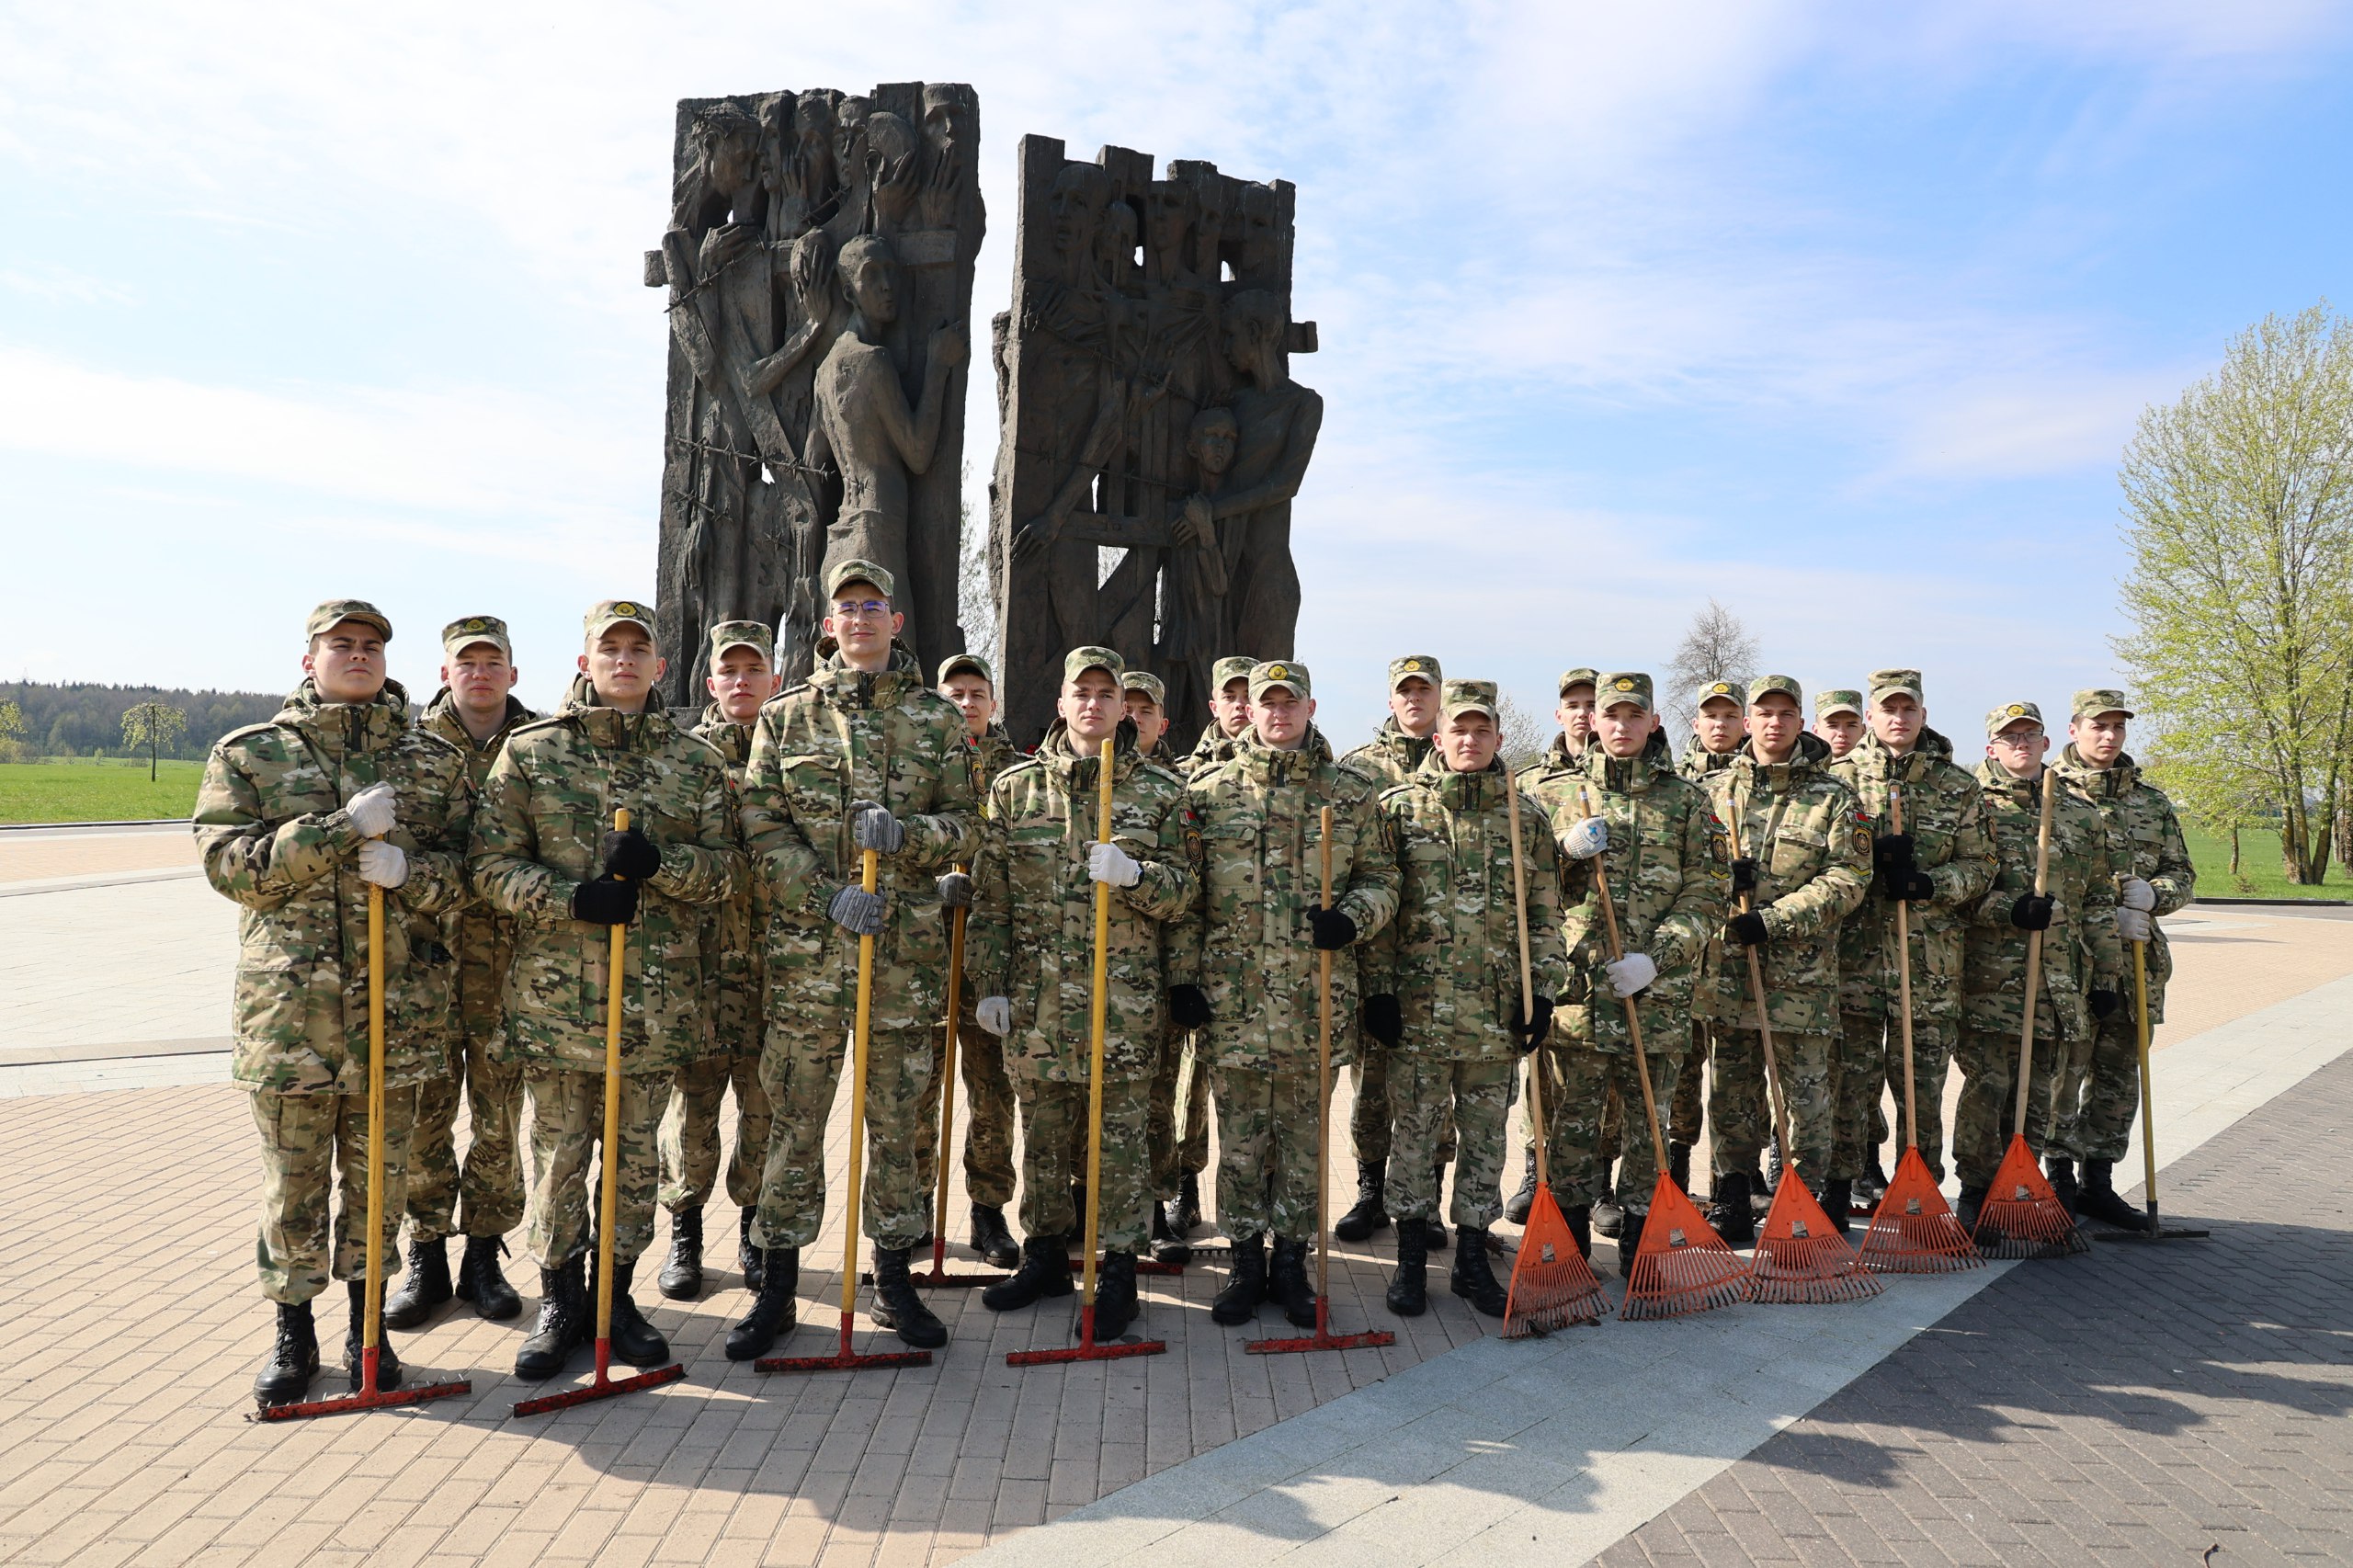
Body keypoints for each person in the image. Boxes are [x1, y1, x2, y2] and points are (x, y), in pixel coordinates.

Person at [199, 600, 473, 1406]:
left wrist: (410, 874)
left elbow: (466, 878)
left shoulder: (432, 761)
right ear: (310, 656)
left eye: (371, 647)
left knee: (377, 1183)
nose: (357, 656)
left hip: (399, 1015)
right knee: (294, 1184)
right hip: (295, 1019)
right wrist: (337, 831)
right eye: (341, 645)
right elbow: (230, 868)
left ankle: (369, 1337)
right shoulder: (252, 755)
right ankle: (293, 1336)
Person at [471, 600, 745, 1380]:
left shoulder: (693, 764)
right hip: (560, 1007)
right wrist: (572, 897)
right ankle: (560, 1302)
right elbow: (487, 867)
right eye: (609, 648)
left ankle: (617, 1299)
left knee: (632, 1165)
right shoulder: (533, 754)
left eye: (640, 648)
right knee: (558, 1159)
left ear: (661, 665)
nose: (624, 660)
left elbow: (727, 872)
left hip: (654, 1007)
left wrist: (666, 866)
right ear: (585, 662)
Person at [732, 559, 980, 1358]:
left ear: (896, 623)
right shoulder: (788, 718)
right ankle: (776, 1285)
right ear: (828, 626)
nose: (861, 619)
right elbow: (761, 823)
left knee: (898, 1127)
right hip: (810, 964)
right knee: (791, 1124)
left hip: (901, 961)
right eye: (847, 608)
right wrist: (821, 894)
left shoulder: (937, 720)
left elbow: (969, 825)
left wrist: (911, 839)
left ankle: (893, 1280)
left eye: (875, 605)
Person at [966, 648, 1199, 1338]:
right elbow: (992, 902)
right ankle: (1043, 1256)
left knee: (1118, 1141)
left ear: (1125, 707)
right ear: (1061, 705)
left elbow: (1187, 895)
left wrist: (1137, 877)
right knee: (1043, 1137)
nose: (1093, 703)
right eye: (1081, 692)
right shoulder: (1015, 791)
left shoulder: (1161, 793)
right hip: (1038, 1004)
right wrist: (991, 985)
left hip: (1121, 1004)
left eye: (1107, 692)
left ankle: (1119, 1267)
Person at [1176, 661, 1400, 1326]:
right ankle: (1245, 1263)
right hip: (1234, 1003)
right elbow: (1188, 900)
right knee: (1241, 1142)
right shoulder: (1210, 793)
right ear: (1248, 707)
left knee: (1303, 1145)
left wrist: (1352, 918)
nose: (1277, 713)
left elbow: (1385, 879)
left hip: (1315, 1003)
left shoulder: (1351, 794)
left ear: (1310, 707)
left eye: (1289, 702)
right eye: (1265, 702)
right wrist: (1185, 981)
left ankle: (1292, 1263)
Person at [1364, 679, 1566, 1317]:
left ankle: (1474, 1258)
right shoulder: (1400, 811)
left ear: (1499, 739)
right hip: (1420, 1015)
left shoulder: (1524, 816)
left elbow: (1546, 916)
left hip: (1493, 1016)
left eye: (1482, 731)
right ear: (1438, 736)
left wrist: (1543, 994)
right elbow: (1381, 909)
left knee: (1485, 1141)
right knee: (1415, 1139)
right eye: (1459, 730)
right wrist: (1380, 993)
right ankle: (1410, 1263)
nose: (1469, 741)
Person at [1535, 673, 1727, 1270]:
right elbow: (1530, 890)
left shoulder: (1688, 801)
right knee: (1573, 1127)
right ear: (1594, 721)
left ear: (1653, 723)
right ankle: (1567, 1251)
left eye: (1633, 716)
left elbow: (1709, 890)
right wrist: (1561, 855)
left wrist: (1657, 959)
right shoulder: (1558, 795)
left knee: (1650, 1125)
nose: (1620, 726)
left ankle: (1642, 1249)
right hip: (1581, 994)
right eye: (1610, 715)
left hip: (1657, 996)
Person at [386, 616, 537, 1331]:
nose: (479, 673)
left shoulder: (544, 747)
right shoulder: (406, 750)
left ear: (514, 672)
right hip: (427, 967)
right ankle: (427, 1254)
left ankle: (484, 1252)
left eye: (492, 661)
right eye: (465, 662)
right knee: (424, 1117)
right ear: (444, 673)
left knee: (500, 1118)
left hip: (513, 966)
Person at [1699, 676, 1870, 1244]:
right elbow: (1686, 871)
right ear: (1748, 722)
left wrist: (1771, 920)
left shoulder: (1834, 798)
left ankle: (1806, 1197)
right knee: (1731, 1091)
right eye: (1764, 713)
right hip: (1728, 974)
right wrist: (1727, 884)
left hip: (1802, 981)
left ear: (1803, 723)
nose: (1775, 723)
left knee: (1806, 1095)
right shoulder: (1712, 791)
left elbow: (1848, 880)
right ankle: (1732, 1197)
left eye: (1786, 713)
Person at [1826, 671, 1994, 1225]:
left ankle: (1917, 1192)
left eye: (1908, 708)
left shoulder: (1957, 785)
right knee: (1850, 1084)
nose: (1898, 718)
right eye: (1887, 708)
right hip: (1852, 964)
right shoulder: (1836, 780)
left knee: (1920, 1092)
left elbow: (1982, 864)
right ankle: (1843, 1185)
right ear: (1869, 716)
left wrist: (1930, 884)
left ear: (1923, 714)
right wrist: (1867, 864)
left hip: (1928, 969)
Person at [1954, 703, 2125, 1228]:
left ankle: (2023, 1193)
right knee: (1989, 1088)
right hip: (1991, 980)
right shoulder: (1970, 806)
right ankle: (1976, 1193)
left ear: (2047, 743)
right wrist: (2008, 910)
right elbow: (1953, 895)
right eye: (2009, 738)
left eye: (2030, 735)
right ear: (1991, 747)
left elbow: (2097, 897)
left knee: (2041, 1096)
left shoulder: (2077, 812)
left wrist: (2107, 972)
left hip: (2058, 980)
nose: (2020, 744)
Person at [652, 621, 783, 1301]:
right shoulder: (681, 758)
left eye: (752, 670)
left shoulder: (794, 754)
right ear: (710, 684)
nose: (740, 681)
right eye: (728, 672)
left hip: (772, 973)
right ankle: (685, 1232)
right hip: (696, 971)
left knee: (763, 1113)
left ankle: (756, 1231)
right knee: (692, 1114)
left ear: (775, 680)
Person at [2049, 688, 2194, 1229]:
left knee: (2118, 1075)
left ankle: (2098, 1182)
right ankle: (2057, 1179)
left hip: (2137, 962)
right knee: (2065, 1070)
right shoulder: (2047, 793)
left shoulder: (2151, 803)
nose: (2108, 736)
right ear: (2073, 728)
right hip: (2073, 960)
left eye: (2117, 727)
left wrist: (2156, 895)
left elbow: (2183, 875)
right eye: (2097, 726)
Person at [1335, 654, 1451, 1247]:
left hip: (1441, 962)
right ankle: (1370, 1190)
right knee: (1372, 1082)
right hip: (1374, 954)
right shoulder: (1359, 772)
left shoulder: (1459, 760)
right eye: (1403, 691)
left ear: (1440, 697)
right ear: (1390, 700)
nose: (1413, 700)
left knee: (1433, 1092)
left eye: (1423, 691)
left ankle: (1426, 1197)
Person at [919, 652, 1022, 1269]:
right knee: (915, 1098)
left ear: (994, 702)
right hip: (926, 959)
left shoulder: (1021, 773)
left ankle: (988, 1212)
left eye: (976, 691)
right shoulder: (917, 766)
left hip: (990, 963)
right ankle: (909, 1213)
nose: (966, 701)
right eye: (954, 691)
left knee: (992, 1096)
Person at [1158, 653, 1258, 1245]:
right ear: (1215, 705)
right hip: (1197, 964)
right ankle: (1177, 1183)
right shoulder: (1187, 780)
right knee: (1179, 1085)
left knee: (1220, 1090)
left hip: (1253, 974)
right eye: (1233, 696)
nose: (1244, 706)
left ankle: (1208, 1185)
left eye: (1254, 695)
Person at [1506, 665, 1598, 1225]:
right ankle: (1532, 1170)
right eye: (1576, 705)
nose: (1585, 714)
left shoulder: (1629, 781)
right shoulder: (1533, 786)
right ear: (1558, 713)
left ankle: (1599, 1189)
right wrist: (1564, 852)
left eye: (1595, 704)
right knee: (1543, 1073)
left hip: (1612, 953)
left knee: (1600, 1089)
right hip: (1554, 952)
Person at [1670, 679, 1749, 1200]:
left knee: (1738, 1082)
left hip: (1745, 957)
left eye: (1729, 715)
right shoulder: (1674, 784)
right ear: (1695, 724)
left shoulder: (1760, 781)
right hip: (1687, 959)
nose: (1719, 724)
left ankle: (1736, 1184)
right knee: (1679, 1078)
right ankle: (1672, 1178)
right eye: (1710, 716)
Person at [1121, 669, 1179, 766]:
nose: (1135, 719)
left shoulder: (1181, 779)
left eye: (1146, 712)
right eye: (1127, 711)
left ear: (1162, 726)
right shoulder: (1093, 772)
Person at [1814, 689, 1865, 761]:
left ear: (1863, 731)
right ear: (1816, 730)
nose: (1842, 733)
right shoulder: (1801, 769)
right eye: (1833, 726)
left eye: (1851, 725)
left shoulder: (1878, 769)